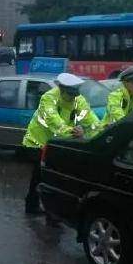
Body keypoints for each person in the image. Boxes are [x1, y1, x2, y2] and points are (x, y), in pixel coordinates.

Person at [22, 72, 101, 213]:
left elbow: (92, 121)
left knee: (55, 177)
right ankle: (34, 205)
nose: (73, 98)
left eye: (75, 94)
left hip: (59, 143)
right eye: (70, 94)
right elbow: (55, 124)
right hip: (38, 142)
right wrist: (75, 132)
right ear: (62, 89)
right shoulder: (48, 98)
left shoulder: (78, 99)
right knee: (41, 175)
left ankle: (50, 210)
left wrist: (100, 134)